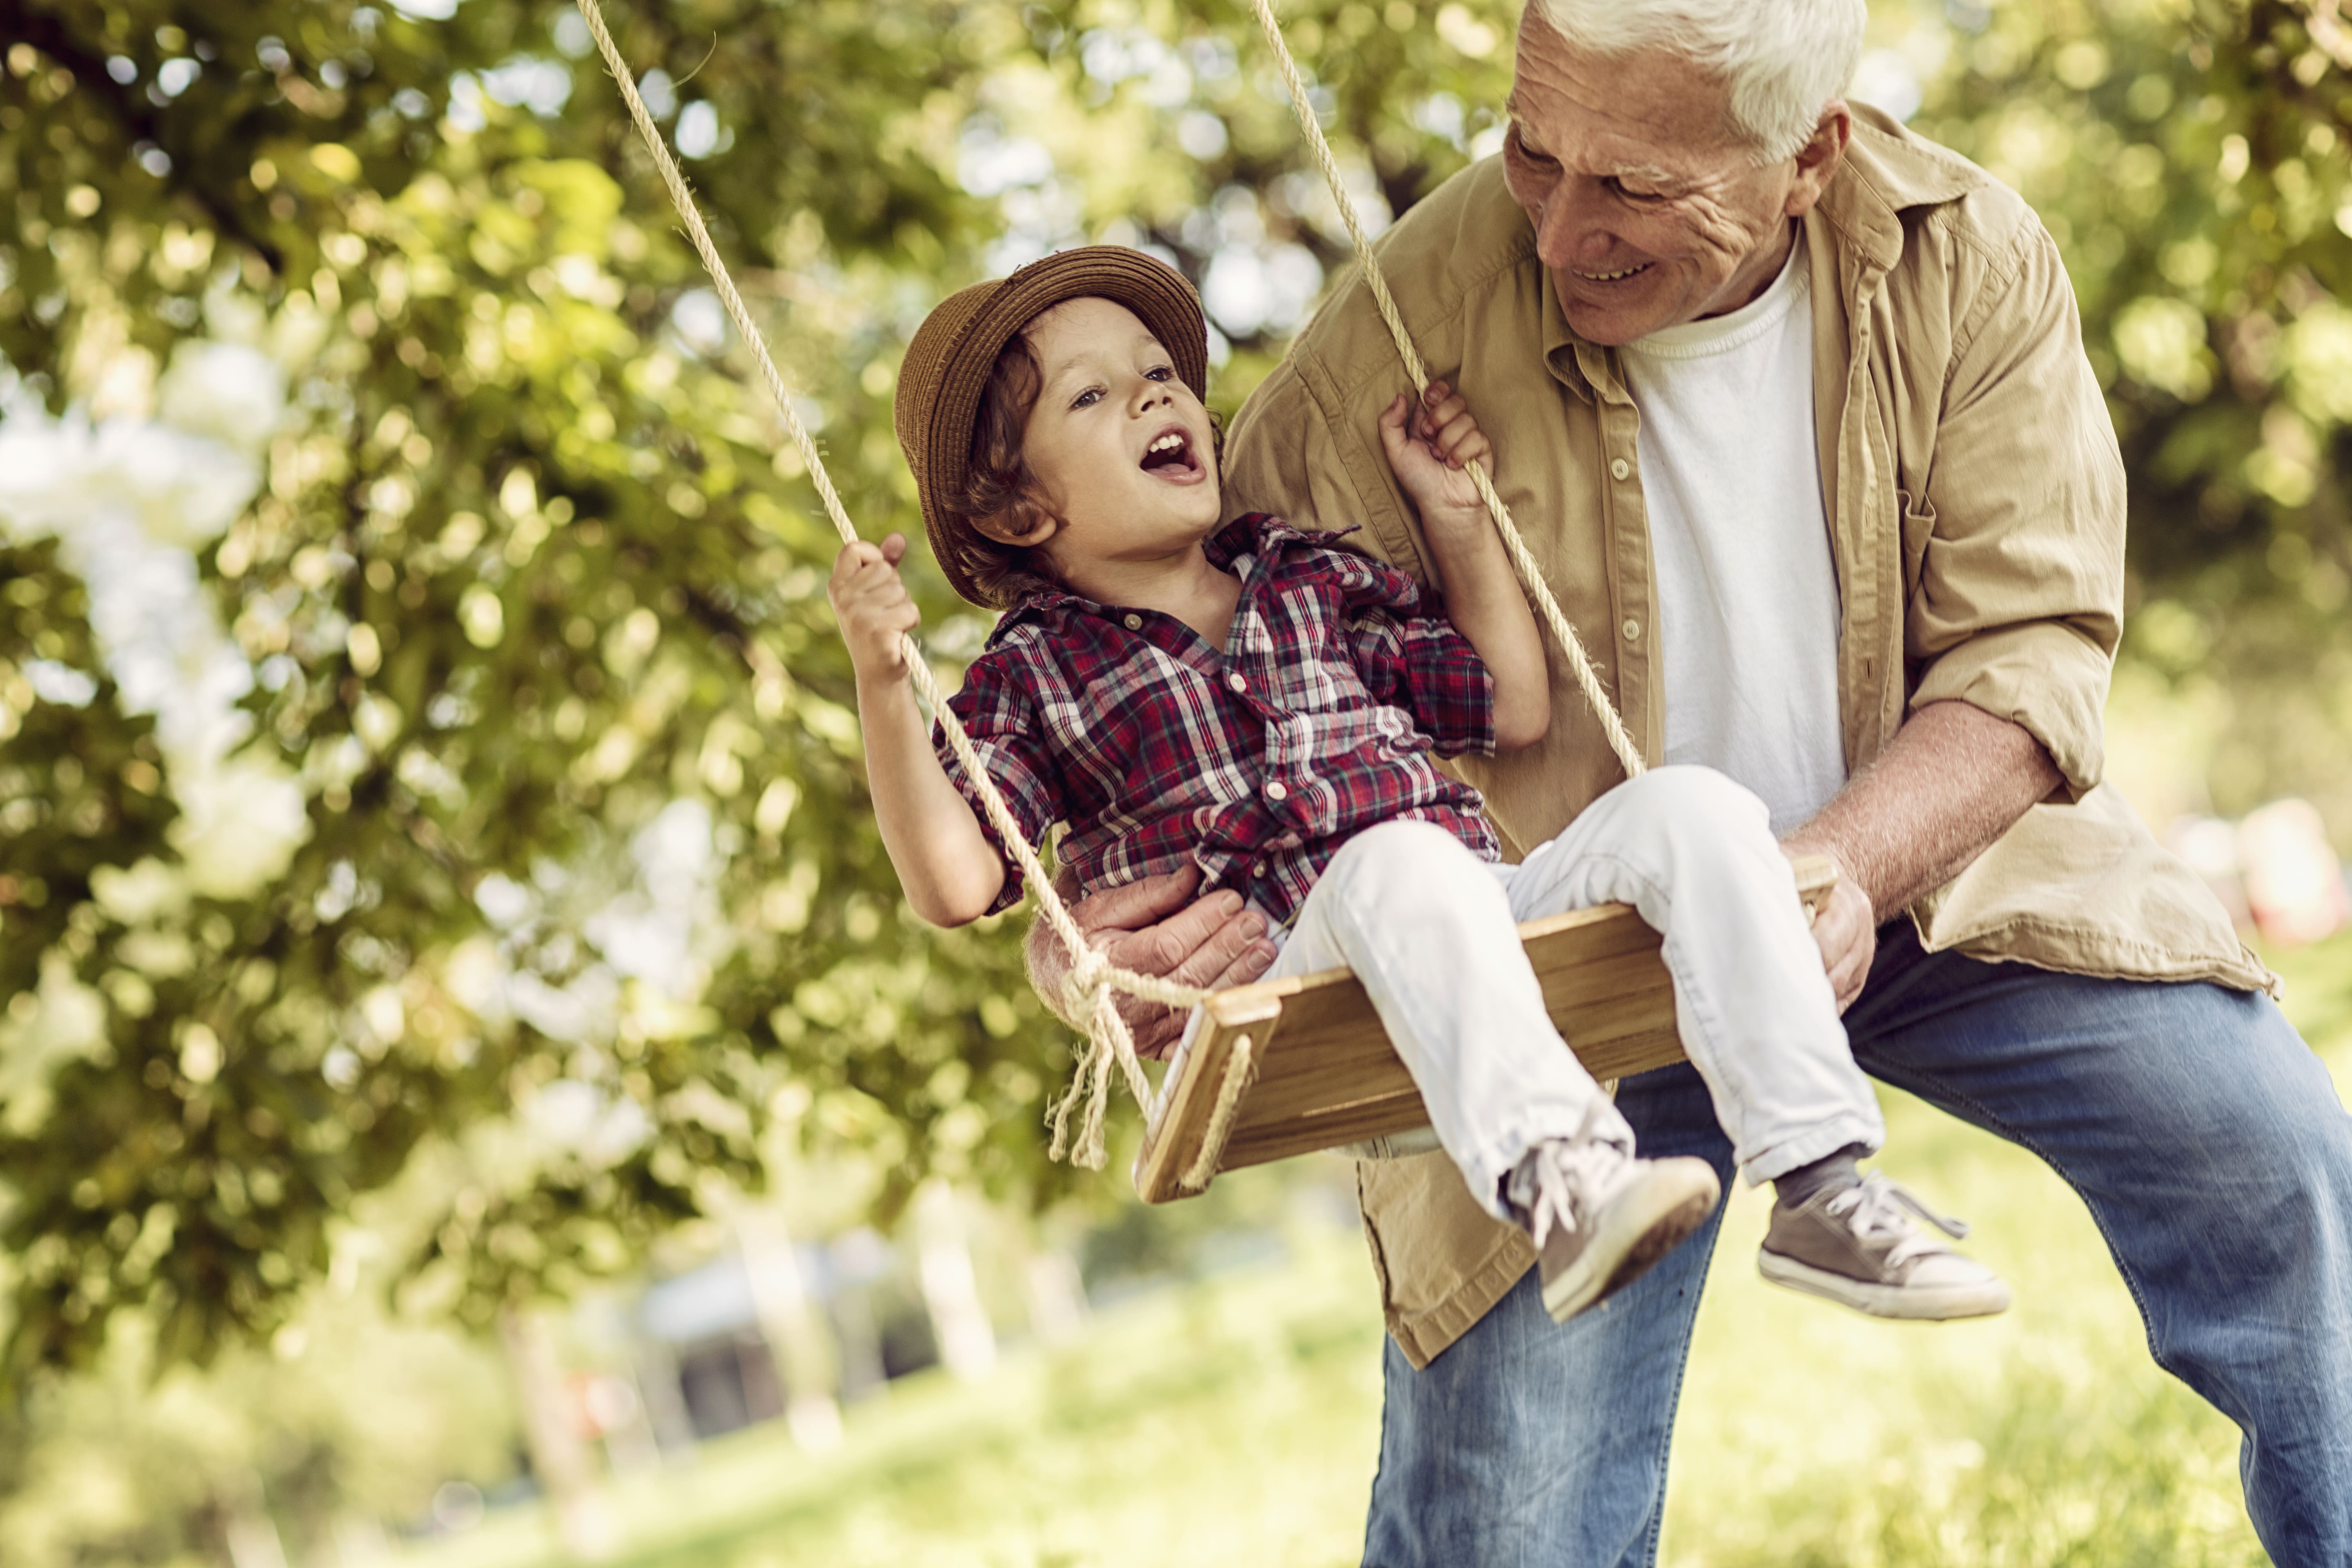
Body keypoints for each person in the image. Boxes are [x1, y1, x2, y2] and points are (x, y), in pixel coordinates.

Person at [1024, 4, 2352, 1564]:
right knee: (1512, 1516)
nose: (1562, 228)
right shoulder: (1397, 329)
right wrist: (1085, 938)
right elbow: (1179, 658)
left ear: (1810, 155)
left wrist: (1849, 866)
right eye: (1535, 151)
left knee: (2281, 1173)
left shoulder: (1969, 256)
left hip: (1937, 874)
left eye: (1635, 189)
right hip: (1554, 964)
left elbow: (2031, 653)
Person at [830, 245, 2009, 1328]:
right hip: (1294, 986)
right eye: (1091, 397)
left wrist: (1460, 524)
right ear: (1015, 508)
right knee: (1395, 861)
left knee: (1691, 807)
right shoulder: (1035, 673)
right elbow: (953, 881)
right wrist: (888, 682)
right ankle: (1565, 1181)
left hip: (1477, 916)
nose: (1153, 396)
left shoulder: (1304, 574)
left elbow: (1508, 706)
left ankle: (1820, 1181)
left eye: (1157, 374)